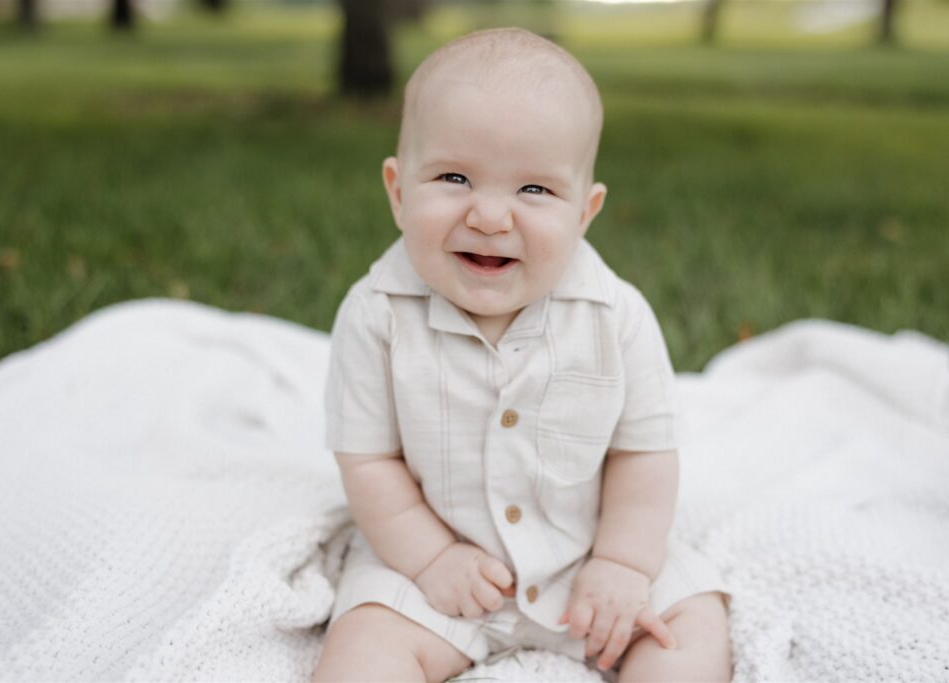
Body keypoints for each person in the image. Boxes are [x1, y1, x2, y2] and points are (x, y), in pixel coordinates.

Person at [313, 28, 731, 682]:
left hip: (591, 564)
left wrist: (622, 563)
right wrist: (429, 559)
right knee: (363, 648)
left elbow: (642, 456)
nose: (488, 215)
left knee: (689, 631)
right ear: (398, 191)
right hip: (439, 570)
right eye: (454, 177)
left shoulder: (615, 317)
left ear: (585, 212)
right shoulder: (377, 315)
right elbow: (368, 458)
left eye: (534, 190)